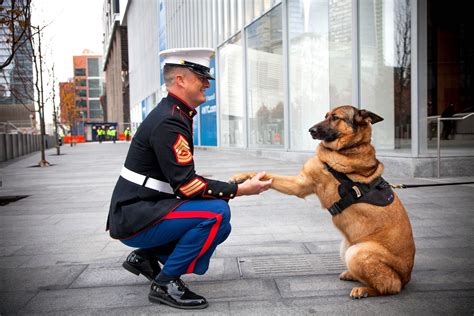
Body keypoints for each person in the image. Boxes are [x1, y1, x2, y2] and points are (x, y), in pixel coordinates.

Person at [106, 48, 272, 310]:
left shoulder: (175, 113)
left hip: (141, 208)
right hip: (134, 215)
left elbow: (181, 180)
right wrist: (240, 189)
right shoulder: (170, 120)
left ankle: (146, 257)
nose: (207, 83)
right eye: (200, 77)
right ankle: (165, 283)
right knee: (216, 213)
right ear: (180, 80)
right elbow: (187, 186)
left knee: (222, 226)